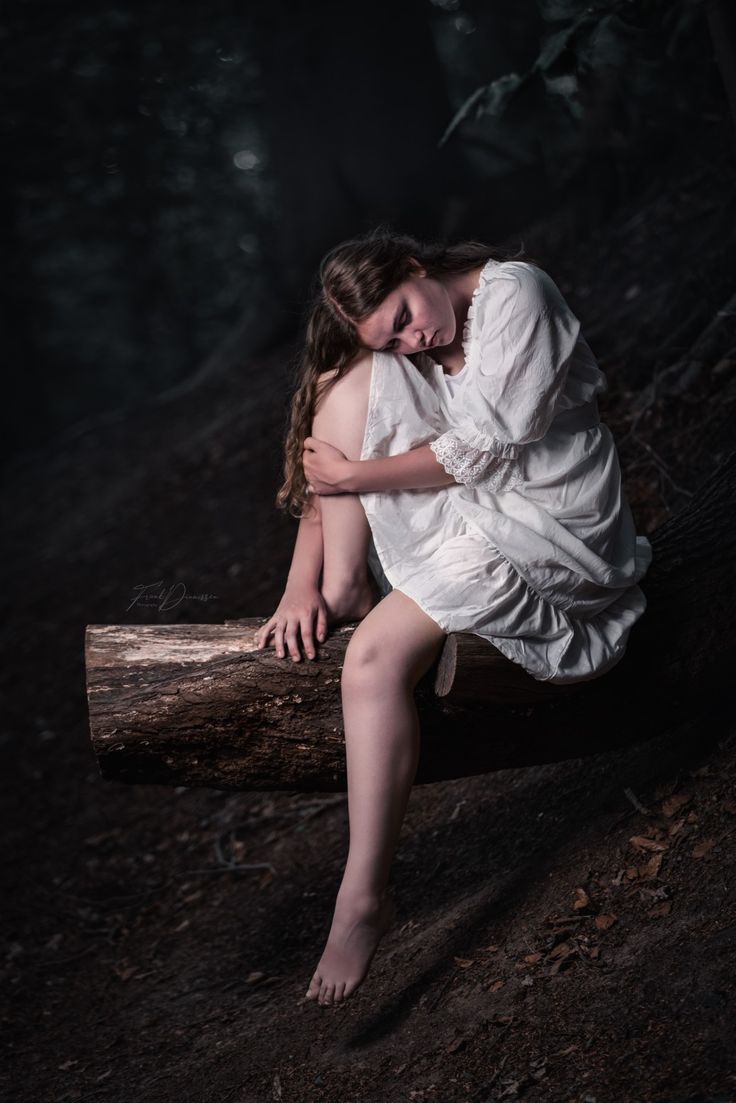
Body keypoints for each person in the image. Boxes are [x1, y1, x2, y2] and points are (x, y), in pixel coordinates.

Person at [254, 226, 652, 1008]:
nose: (414, 338)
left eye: (405, 314)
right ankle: (336, 587)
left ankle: (362, 896)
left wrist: (357, 476)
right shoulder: (409, 346)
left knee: (369, 665)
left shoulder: (516, 295)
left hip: (551, 528)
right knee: (346, 389)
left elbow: (483, 449)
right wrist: (296, 586)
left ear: (414, 266)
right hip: (478, 509)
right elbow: (331, 446)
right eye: (394, 335)